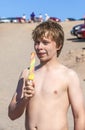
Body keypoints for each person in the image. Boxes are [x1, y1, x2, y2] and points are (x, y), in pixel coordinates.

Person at [8, 20, 85, 130]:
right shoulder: (26, 73)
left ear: (58, 45)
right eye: (37, 42)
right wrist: (25, 99)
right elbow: (12, 115)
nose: (39, 47)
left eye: (45, 42)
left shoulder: (68, 75)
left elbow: (79, 116)